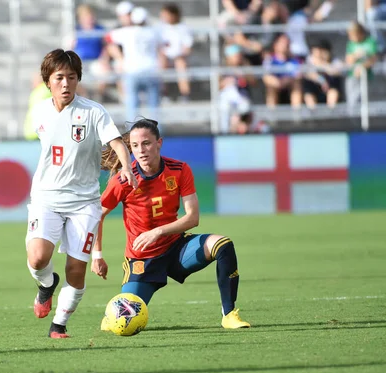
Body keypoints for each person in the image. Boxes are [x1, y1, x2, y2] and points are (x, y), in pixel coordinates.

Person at [92, 118, 250, 329]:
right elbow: (96, 216)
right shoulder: (124, 180)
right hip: (143, 259)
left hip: (177, 249)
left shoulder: (179, 170)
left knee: (223, 244)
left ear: (159, 143)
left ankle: (229, 314)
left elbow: (192, 218)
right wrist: (97, 256)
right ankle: (113, 314)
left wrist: (157, 232)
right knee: (119, 320)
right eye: (135, 146)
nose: (141, 150)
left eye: (147, 143)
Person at [26, 49, 136, 339]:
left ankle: (58, 324)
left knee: (76, 269)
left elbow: (115, 142)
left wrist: (126, 167)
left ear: (78, 80)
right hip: (46, 197)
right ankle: (46, 285)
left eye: (71, 77)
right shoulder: (40, 113)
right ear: (47, 81)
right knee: (38, 259)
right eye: (59, 77)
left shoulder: (93, 111)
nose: (65, 83)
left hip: (84, 202)